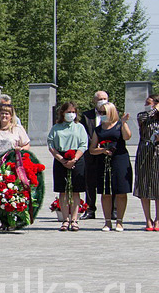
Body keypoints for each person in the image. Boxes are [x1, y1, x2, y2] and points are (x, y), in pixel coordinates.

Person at [88, 102, 133, 232]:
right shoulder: (98, 129)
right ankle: (107, 222)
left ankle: (120, 221)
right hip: (103, 161)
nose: (102, 115)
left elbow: (127, 137)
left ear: (111, 112)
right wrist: (101, 150)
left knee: (121, 192)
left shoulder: (119, 125)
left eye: (104, 113)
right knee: (105, 192)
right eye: (100, 113)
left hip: (120, 159)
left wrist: (124, 123)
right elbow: (92, 149)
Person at [48, 102, 88, 231]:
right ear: (62, 113)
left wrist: (74, 159)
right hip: (61, 158)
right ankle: (65, 219)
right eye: (68, 112)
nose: (71, 114)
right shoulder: (56, 127)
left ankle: (75, 219)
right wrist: (61, 159)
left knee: (75, 191)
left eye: (73, 112)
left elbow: (83, 144)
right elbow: (51, 144)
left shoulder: (79, 127)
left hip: (76, 158)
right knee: (63, 191)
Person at [80, 90, 109, 220]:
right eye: (99, 99)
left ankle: (112, 210)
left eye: (104, 98)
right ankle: (90, 209)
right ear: (94, 101)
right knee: (89, 182)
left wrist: (105, 146)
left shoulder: (112, 114)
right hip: (90, 153)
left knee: (108, 181)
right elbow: (83, 132)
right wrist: (93, 144)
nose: (102, 101)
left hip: (107, 153)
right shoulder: (87, 116)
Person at [134, 94, 159, 231]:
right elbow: (142, 119)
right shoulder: (143, 116)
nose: (148, 105)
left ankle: (157, 220)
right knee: (144, 184)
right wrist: (154, 109)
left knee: (157, 185)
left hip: (158, 151)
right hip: (145, 150)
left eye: (150, 103)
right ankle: (147, 219)